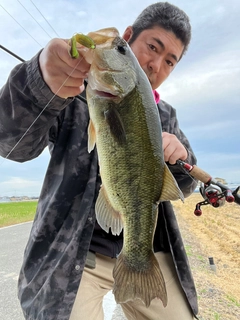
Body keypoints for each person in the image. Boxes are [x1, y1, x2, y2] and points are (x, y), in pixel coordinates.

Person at [0, 2, 199, 320]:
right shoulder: (71, 94)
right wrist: (39, 81)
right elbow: (12, 145)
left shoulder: (166, 116)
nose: (156, 65)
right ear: (130, 37)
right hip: (74, 258)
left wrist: (181, 158)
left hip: (146, 253)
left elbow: (185, 184)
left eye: (170, 61)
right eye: (152, 47)